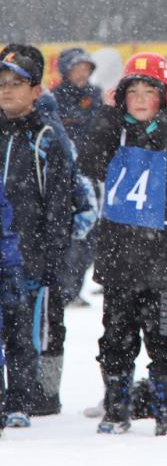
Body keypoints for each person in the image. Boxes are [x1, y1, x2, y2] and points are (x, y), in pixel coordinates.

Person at [78, 52, 167, 436]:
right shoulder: (114, 130)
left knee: (166, 333)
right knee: (116, 335)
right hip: (120, 253)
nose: (142, 99)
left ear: (166, 96)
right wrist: (108, 115)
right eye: (134, 91)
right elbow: (91, 163)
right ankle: (116, 408)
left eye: (151, 91)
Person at [0, 45, 73, 427]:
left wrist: (54, 260)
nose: (7, 91)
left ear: (35, 90)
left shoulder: (47, 137)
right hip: (3, 249)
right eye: (2, 84)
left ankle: (31, 399)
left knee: (29, 331)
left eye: (16, 84)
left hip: (31, 253)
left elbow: (61, 206)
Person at [54, 47, 103, 306]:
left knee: (90, 236)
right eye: (77, 68)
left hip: (89, 174)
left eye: (86, 68)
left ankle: (74, 288)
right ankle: (63, 289)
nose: (82, 73)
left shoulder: (95, 96)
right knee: (67, 235)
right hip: (63, 178)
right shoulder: (54, 98)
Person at [0, 180, 27, 436]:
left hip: (9, 260)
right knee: (17, 335)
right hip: (11, 258)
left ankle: (17, 402)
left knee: (17, 335)